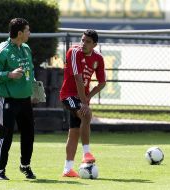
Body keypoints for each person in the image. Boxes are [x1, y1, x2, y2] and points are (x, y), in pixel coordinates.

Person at [0, 18, 37, 180]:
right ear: (20, 33)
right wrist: (9, 75)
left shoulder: (26, 48)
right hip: (8, 100)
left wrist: (34, 87)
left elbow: (30, 70)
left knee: (29, 134)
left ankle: (25, 166)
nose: (30, 33)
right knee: (6, 134)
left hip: (25, 100)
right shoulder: (2, 50)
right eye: (28, 30)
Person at [60, 29, 106, 177]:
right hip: (68, 95)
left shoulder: (98, 58)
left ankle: (67, 169)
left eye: (88, 42)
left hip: (81, 97)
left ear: (95, 44)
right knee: (87, 115)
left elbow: (102, 83)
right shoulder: (74, 52)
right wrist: (85, 103)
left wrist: (88, 97)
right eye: (82, 40)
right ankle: (86, 153)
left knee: (74, 132)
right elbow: (78, 79)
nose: (83, 44)